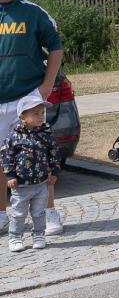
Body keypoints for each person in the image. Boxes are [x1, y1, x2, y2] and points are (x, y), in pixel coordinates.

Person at [0, 0, 64, 236]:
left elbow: (56, 48)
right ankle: (3, 215)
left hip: (27, 99)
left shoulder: (33, 12)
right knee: (3, 160)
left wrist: (46, 86)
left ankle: (48, 213)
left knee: (39, 157)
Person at [2, 93, 59, 252]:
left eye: (42, 113)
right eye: (36, 113)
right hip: (21, 185)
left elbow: (53, 152)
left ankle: (39, 234)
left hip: (41, 183)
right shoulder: (14, 136)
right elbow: (7, 156)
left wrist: (54, 171)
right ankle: (15, 237)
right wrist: (10, 176)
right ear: (23, 116)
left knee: (39, 212)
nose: (41, 117)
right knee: (19, 214)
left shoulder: (45, 134)